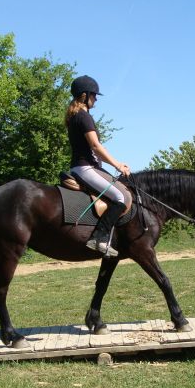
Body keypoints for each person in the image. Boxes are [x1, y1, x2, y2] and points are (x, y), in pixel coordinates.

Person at [66, 75, 131, 257]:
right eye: (94, 95)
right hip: (85, 168)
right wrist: (117, 164)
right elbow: (95, 146)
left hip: (83, 168)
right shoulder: (84, 117)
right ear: (84, 95)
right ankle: (99, 238)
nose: (95, 99)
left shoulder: (74, 116)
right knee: (120, 197)